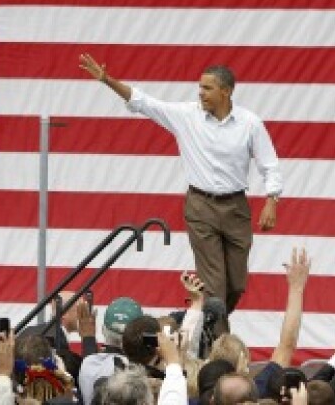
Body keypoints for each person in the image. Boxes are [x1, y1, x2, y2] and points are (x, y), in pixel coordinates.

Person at [79, 54, 283, 333]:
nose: (200, 93)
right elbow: (143, 102)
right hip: (200, 206)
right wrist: (107, 80)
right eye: (199, 87)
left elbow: (269, 164)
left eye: (207, 88)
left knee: (235, 285)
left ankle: (199, 323)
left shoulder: (250, 123)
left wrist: (272, 200)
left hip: (236, 207)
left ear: (226, 91)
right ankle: (220, 348)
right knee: (214, 286)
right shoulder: (186, 115)